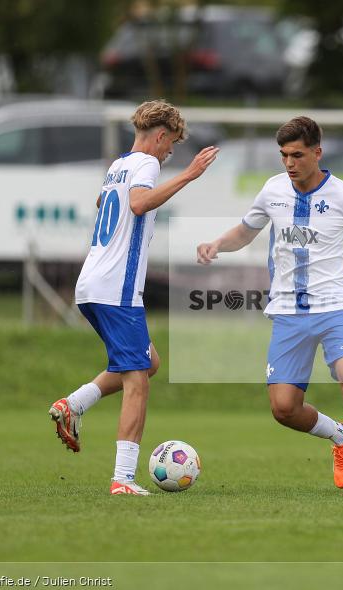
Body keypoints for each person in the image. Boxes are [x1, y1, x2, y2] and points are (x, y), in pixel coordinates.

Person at [196, 116, 343, 494]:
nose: (289, 163)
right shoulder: (273, 190)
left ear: (317, 153)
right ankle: (341, 436)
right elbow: (245, 231)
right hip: (288, 313)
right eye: (283, 156)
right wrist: (216, 244)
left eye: (297, 155)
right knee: (284, 408)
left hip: (336, 307)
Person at [49, 99, 219, 496]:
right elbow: (139, 203)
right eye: (172, 144)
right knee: (138, 381)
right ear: (160, 136)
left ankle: (73, 405)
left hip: (91, 283)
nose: (170, 152)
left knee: (148, 363)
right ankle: (123, 478)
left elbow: (104, 202)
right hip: (116, 288)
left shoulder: (119, 164)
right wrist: (189, 175)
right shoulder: (146, 164)